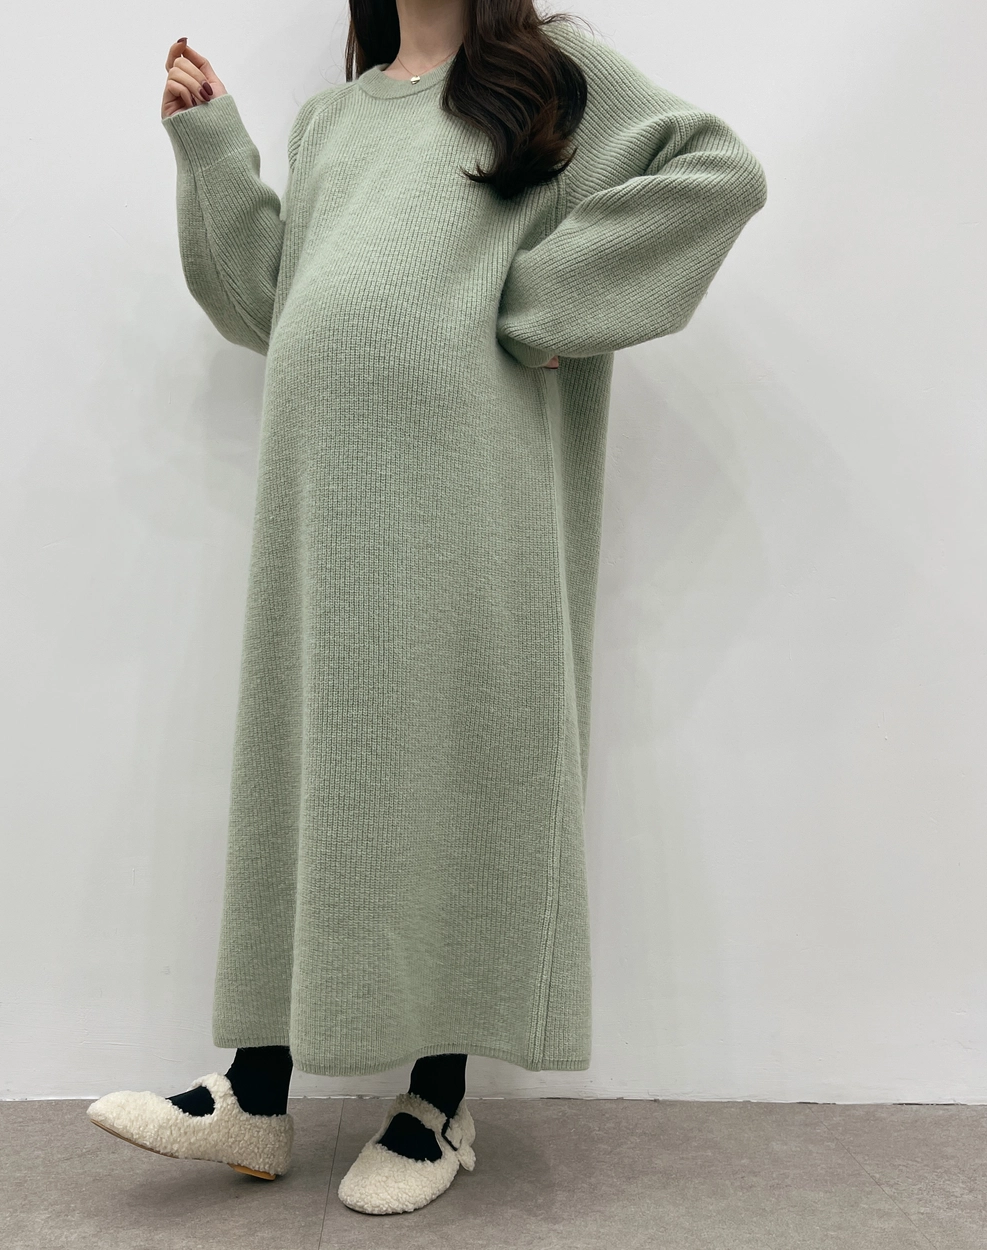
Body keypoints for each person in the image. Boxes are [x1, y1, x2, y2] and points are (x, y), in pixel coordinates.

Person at [87, 0, 766, 1216]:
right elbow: (264, 306)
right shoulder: (331, 120)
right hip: (320, 509)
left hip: (470, 498)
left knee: (456, 765)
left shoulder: (549, 71)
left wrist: (532, 302)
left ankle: (437, 1097)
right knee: (306, 775)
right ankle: (255, 1090)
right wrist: (212, 150)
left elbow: (713, 173)